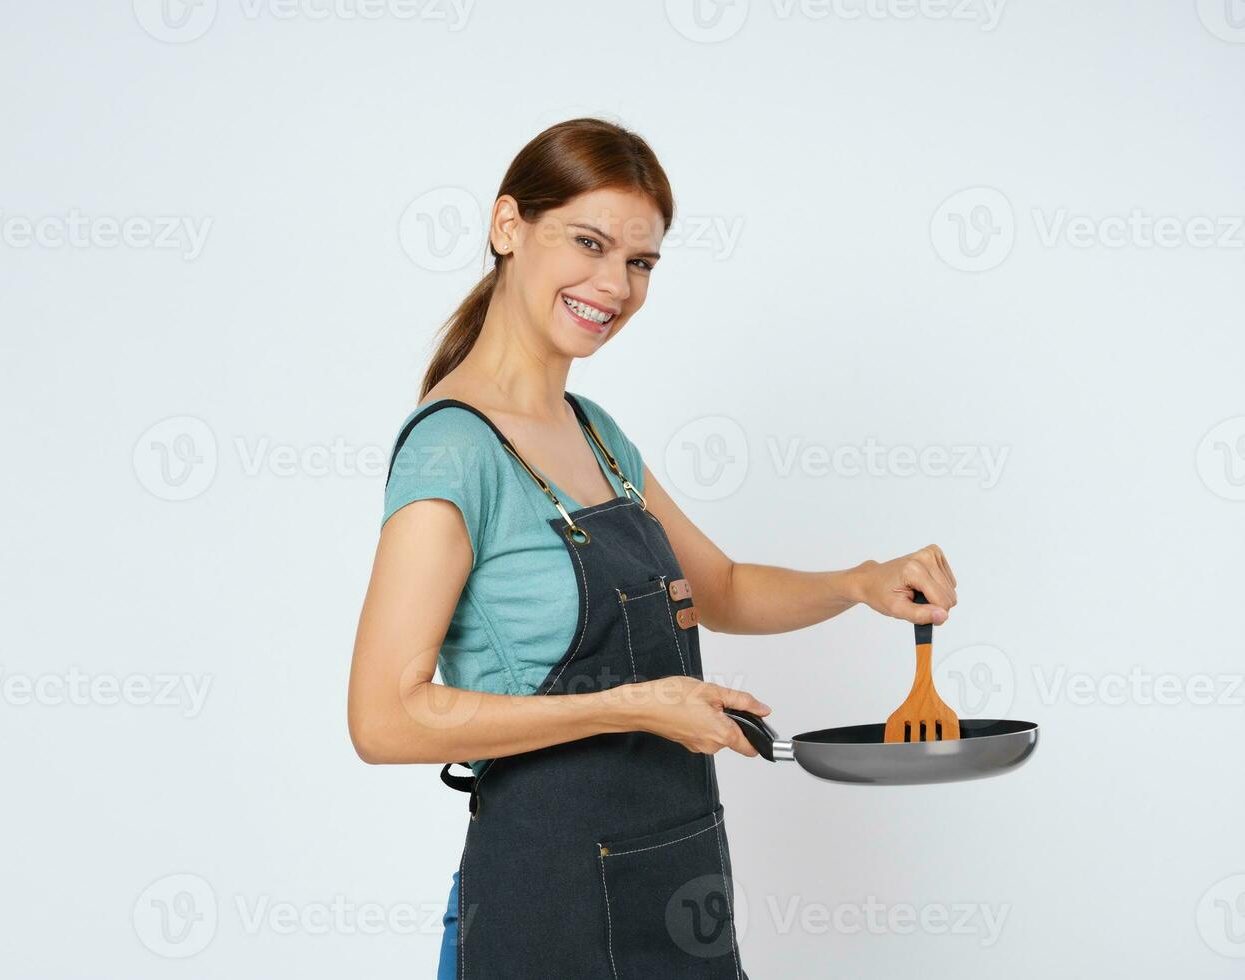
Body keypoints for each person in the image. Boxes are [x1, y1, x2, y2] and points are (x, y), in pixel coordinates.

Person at [347, 117, 958, 979]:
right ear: (507, 226)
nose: (615, 286)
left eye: (639, 263)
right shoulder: (454, 450)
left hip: (678, 894)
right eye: (588, 244)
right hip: (545, 907)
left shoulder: (594, 434)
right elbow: (382, 717)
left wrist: (863, 582)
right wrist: (630, 706)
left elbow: (726, 588)